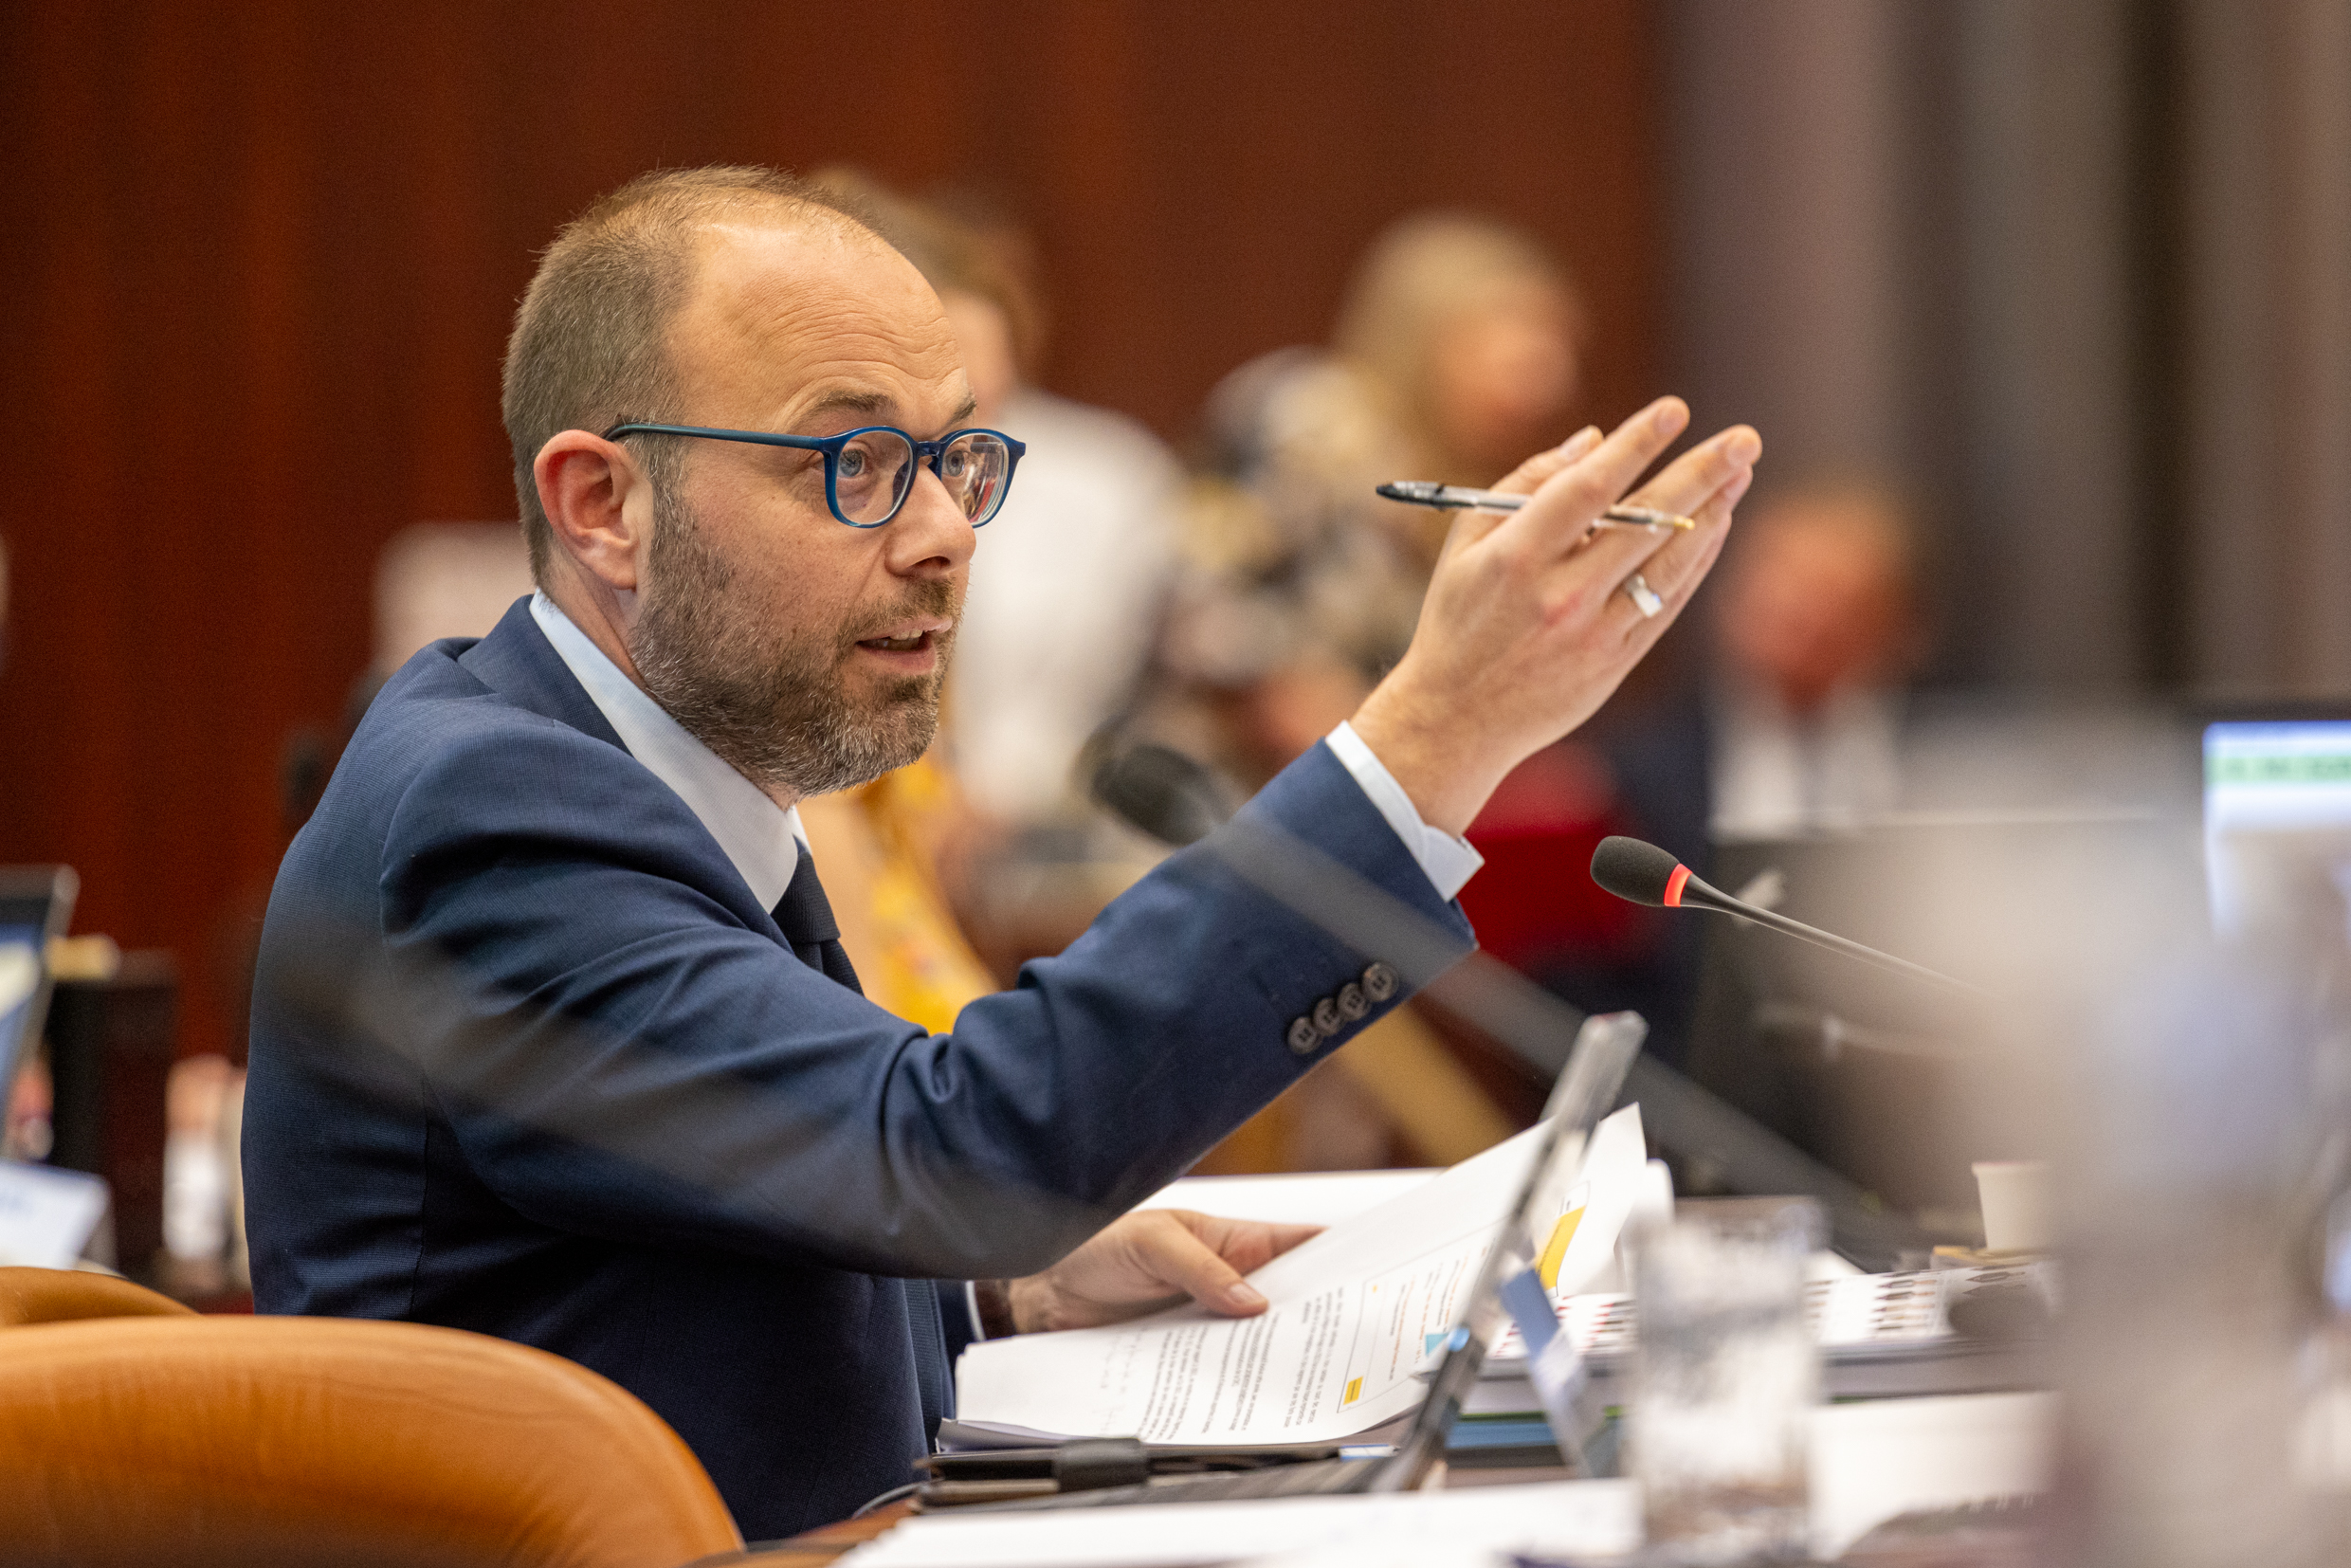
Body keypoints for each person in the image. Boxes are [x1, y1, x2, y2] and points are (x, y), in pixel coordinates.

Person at [242, 165, 1759, 1538]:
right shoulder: (491, 814)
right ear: (604, 505)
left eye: (957, 460)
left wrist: (993, 1292)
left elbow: (708, 1237)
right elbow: (941, 1147)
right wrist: (1429, 736)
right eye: (851, 466)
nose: (946, 536)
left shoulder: (664, 772)